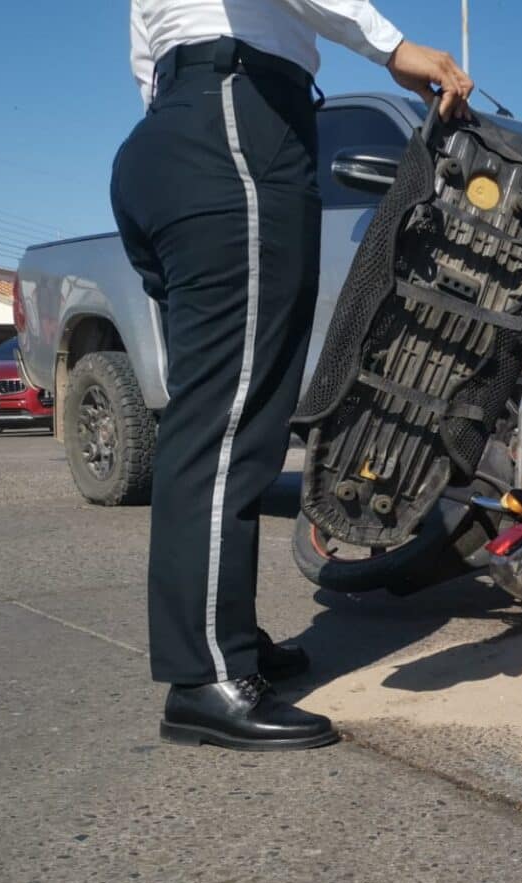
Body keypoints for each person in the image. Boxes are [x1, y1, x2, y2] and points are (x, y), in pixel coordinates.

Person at [112, 1, 472, 751]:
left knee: (217, 408)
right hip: (237, 121)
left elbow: (146, 60)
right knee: (229, 417)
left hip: (178, 126)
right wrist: (391, 46)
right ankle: (206, 675)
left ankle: (222, 636)